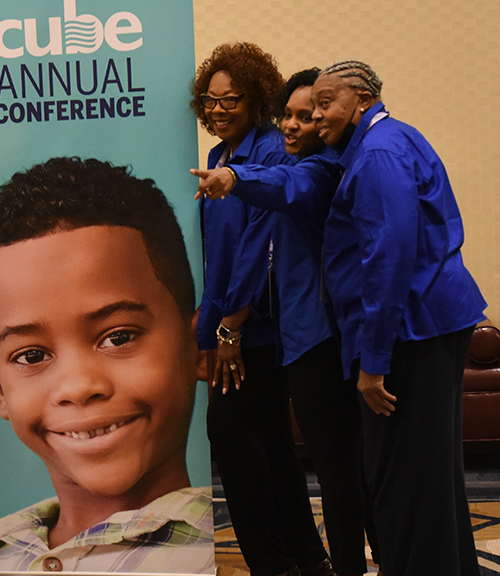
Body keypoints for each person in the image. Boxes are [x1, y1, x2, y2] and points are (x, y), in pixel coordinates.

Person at [0, 156, 214, 573]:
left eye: (118, 337)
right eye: (31, 356)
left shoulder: (229, 546)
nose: (79, 386)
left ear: (198, 345)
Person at [309, 60, 486, 576]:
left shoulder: (380, 153)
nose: (318, 117)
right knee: (428, 477)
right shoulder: (384, 142)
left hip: (412, 330)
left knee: (404, 483)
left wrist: (373, 362)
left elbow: (388, 262)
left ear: (361, 99)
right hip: (428, 323)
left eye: (327, 102)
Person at [200, 69, 377, 576]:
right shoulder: (231, 155)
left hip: (298, 329)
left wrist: (235, 179)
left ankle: (310, 563)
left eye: (308, 115)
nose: (296, 125)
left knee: (337, 467)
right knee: (296, 449)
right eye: (291, 115)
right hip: (284, 329)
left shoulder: (307, 163)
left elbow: (279, 199)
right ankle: (311, 559)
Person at [189, 44, 331, 576]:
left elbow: (261, 243)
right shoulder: (219, 156)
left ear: (256, 98)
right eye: (210, 98)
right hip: (230, 321)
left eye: (231, 98)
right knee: (269, 441)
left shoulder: (271, 151)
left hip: (256, 327)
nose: (218, 108)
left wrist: (232, 328)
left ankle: (276, 564)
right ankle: (306, 560)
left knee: (233, 435)